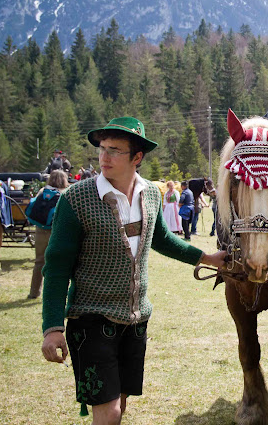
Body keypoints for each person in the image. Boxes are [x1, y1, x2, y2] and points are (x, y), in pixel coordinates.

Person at [40, 116, 226, 423]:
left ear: (137, 157)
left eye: (115, 150)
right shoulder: (76, 199)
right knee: (109, 410)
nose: (104, 157)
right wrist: (52, 328)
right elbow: (57, 267)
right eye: (102, 148)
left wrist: (206, 257)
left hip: (136, 319)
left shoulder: (150, 194)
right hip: (90, 318)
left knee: (121, 404)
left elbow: (163, 239)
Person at [27, 170, 69, 299]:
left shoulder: (42, 192)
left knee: (39, 262)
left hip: (40, 230)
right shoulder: (65, 193)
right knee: (57, 263)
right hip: (57, 231)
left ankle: (34, 292)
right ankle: (54, 293)